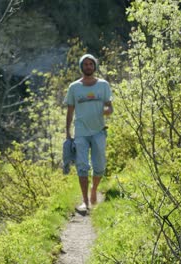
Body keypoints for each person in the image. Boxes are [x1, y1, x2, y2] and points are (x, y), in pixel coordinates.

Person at [64, 54, 113, 212]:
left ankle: (94, 190)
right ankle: (85, 201)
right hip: (81, 132)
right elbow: (70, 110)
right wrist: (67, 132)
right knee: (82, 166)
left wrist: (106, 111)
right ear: (81, 67)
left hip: (99, 131)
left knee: (99, 167)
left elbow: (109, 106)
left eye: (91, 64)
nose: (88, 67)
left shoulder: (103, 85)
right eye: (85, 64)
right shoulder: (74, 87)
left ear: (95, 66)